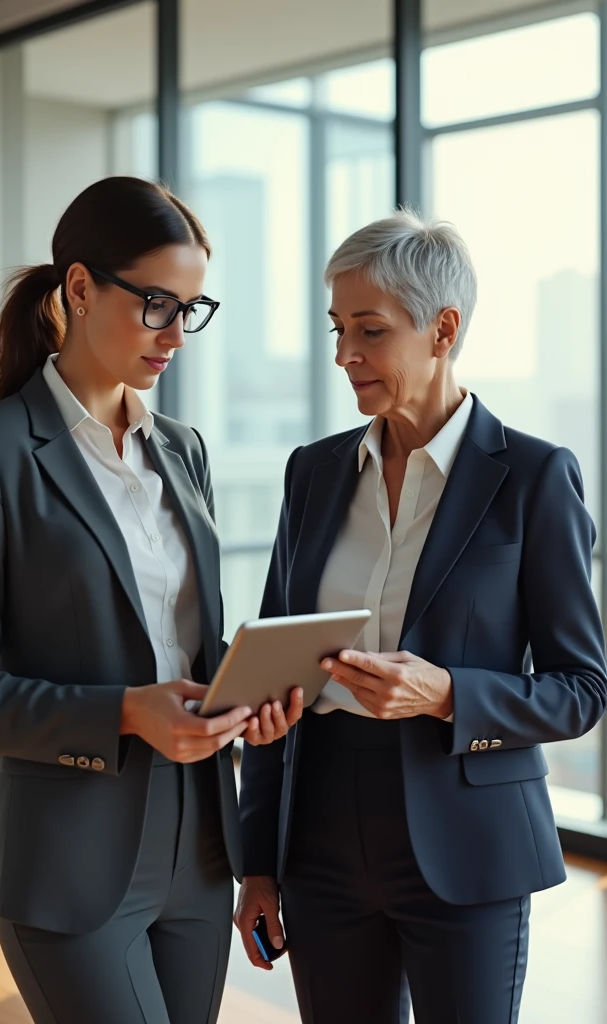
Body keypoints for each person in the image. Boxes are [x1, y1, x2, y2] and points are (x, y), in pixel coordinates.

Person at [0, 176, 301, 1024]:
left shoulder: (184, 449)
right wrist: (129, 712)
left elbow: (186, 647)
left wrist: (248, 702)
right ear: (81, 288)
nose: (177, 336)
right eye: (159, 305)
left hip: (201, 846)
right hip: (71, 857)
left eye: (193, 310)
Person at [235, 210, 607, 1024]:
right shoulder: (314, 473)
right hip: (321, 837)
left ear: (444, 329)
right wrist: (256, 863)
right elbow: (274, 668)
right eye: (337, 328)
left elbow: (583, 690)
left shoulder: (536, 476)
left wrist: (448, 693)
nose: (344, 355)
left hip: (469, 839)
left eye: (369, 330)